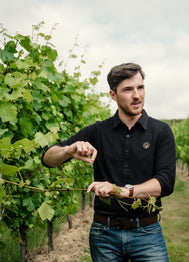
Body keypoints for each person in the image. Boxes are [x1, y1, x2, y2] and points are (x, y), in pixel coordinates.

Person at [42, 62, 176, 262]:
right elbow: (47, 158)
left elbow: (165, 182)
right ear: (113, 95)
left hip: (148, 232)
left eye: (140, 87)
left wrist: (120, 190)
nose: (137, 95)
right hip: (104, 235)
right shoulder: (98, 131)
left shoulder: (161, 132)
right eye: (128, 90)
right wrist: (69, 150)